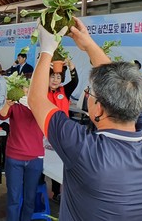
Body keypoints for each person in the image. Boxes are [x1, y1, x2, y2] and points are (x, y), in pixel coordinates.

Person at [28, 18, 142, 220]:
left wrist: (46, 50)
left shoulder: (84, 148)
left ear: (98, 109)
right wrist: (89, 44)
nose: (87, 95)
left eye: (89, 93)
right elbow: (122, 83)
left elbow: (36, 99)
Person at [0, 87, 44, 221]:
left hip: (35, 158)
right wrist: (8, 103)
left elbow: (47, 119)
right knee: (13, 197)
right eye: (24, 88)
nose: (26, 91)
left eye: (30, 88)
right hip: (14, 157)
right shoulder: (15, 106)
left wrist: (33, 105)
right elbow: (1, 115)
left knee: (30, 198)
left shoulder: (40, 106)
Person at [46, 58, 79, 202]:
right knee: (43, 160)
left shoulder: (64, 90)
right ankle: (39, 185)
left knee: (58, 162)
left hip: (61, 133)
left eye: (58, 77)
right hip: (44, 131)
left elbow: (75, 81)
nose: (55, 80)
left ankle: (56, 191)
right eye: (52, 76)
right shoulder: (41, 91)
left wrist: (72, 67)